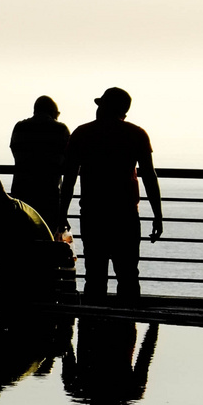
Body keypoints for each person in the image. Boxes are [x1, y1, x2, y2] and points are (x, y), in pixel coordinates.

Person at [58, 87, 163, 301]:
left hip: (93, 213)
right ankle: (127, 324)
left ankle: (92, 328)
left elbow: (68, 179)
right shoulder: (136, 134)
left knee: (95, 277)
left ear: (104, 107)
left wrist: (62, 213)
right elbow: (149, 177)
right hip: (126, 215)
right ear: (123, 112)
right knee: (128, 276)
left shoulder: (82, 133)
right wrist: (157, 215)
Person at [9, 96, 70, 234]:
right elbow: (68, 161)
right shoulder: (60, 130)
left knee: (22, 236)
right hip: (50, 194)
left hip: (22, 193)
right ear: (54, 112)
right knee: (48, 237)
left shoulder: (19, 128)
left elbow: (15, 153)